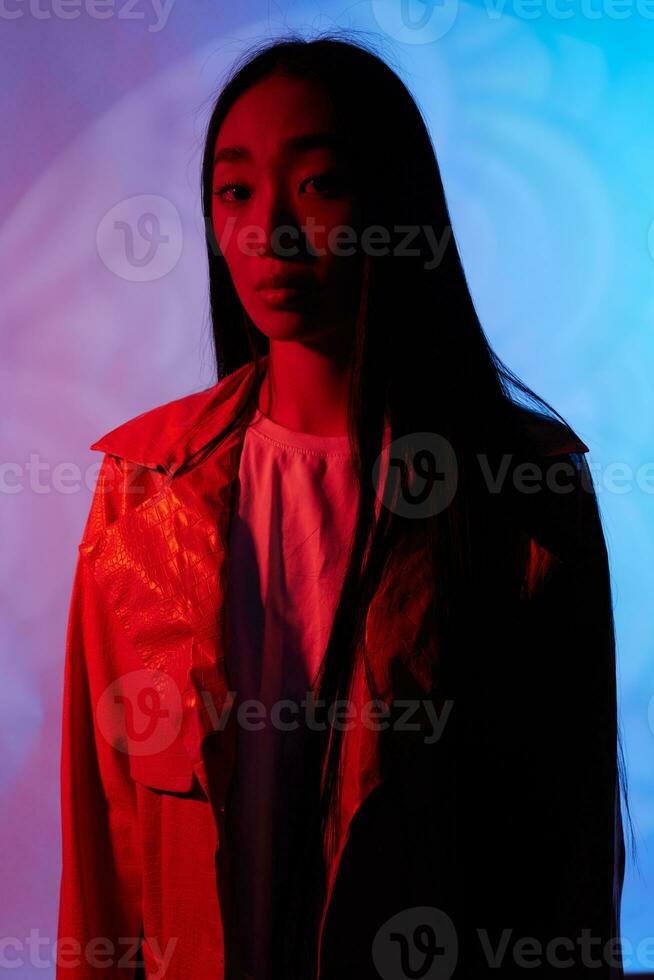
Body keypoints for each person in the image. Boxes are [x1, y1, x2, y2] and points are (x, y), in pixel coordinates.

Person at [57, 34, 630, 980]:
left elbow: (565, 853)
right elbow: (104, 852)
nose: (271, 230)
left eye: (318, 185)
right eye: (235, 191)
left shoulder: (521, 489)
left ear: (395, 205)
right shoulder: (143, 489)